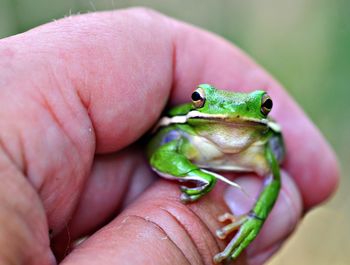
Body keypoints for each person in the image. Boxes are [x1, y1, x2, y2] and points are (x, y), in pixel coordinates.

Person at [0, 8, 338, 265]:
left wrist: (255, 216)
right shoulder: (185, 133)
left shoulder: (261, 145)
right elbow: (159, 153)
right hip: (191, 140)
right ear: (196, 104)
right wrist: (197, 175)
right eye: (199, 98)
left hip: (246, 147)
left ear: (264, 111)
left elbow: (272, 181)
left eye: (262, 105)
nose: (233, 115)